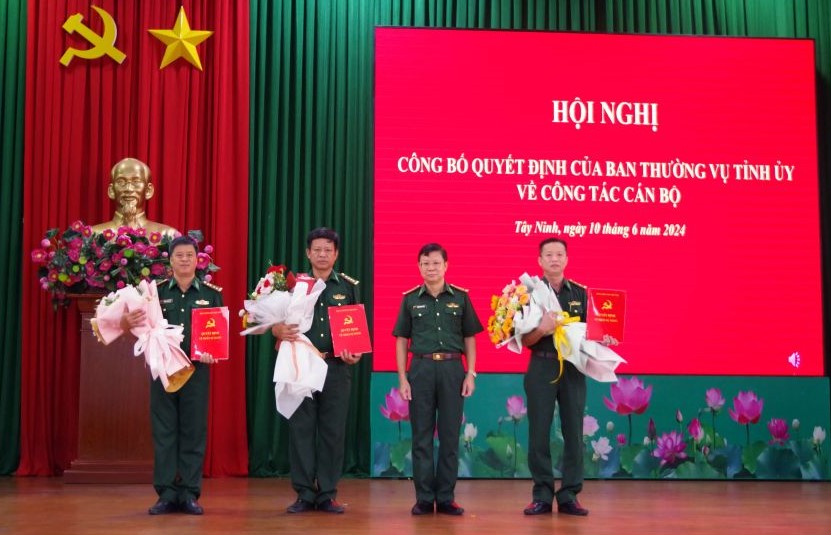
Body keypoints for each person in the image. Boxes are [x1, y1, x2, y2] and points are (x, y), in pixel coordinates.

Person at [122, 236, 223, 515]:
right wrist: (126, 321)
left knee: (193, 431)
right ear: (170, 260)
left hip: (196, 370)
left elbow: (217, 333)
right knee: (164, 431)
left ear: (198, 259)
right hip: (163, 369)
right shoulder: (155, 294)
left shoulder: (211, 294)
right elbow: (138, 325)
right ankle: (166, 494)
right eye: (179, 255)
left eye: (190, 255)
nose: (185, 260)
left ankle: (189, 493)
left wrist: (213, 351)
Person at [271, 227, 362, 514]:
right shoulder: (292, 285)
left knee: (333, 432)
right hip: (300, 365)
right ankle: (304, 493)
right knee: (301, 429)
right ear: (308, 253)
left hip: (335, 366)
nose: (322, 255)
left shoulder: (348, 286)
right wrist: (277, 329)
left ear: (336, 254)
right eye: (317, 249)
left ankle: (327, 493)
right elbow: (273, 321)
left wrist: (355, 352)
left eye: (328, 250)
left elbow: (355, 327)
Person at [393, 243, 483, 516]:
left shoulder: (461, 298)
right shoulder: (410, 299)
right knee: (421, 437)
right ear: (419, 267)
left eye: (435, 263)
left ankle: (445, 497)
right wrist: (402, 378)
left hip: (452, 370)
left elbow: (469, 337)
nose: (431, 268)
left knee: (449, 436)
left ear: (446, 266)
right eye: (425, 263)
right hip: (420, 370)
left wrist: (470, 373)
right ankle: (423, 498)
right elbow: (401, 340)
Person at [521, 237, 589, 517]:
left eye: (559, 254)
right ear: (539, 260)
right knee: (539, 433)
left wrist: (606, 337)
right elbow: (524, 340)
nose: (554, 259)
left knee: (574, 432)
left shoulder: (580, 293)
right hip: (541, 366)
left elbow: (593, 334)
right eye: (548, 255)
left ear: (567, 259)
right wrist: (542, 329)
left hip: (572, 368)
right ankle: (542, 495)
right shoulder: (527, 294)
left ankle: (570, 495)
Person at [91, 158, 177, 235]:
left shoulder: (167, 235)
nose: (129, 189)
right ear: (111, 191)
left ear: (148, 190)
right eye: (121, 182)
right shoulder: (93, 235)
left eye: (136, 182)